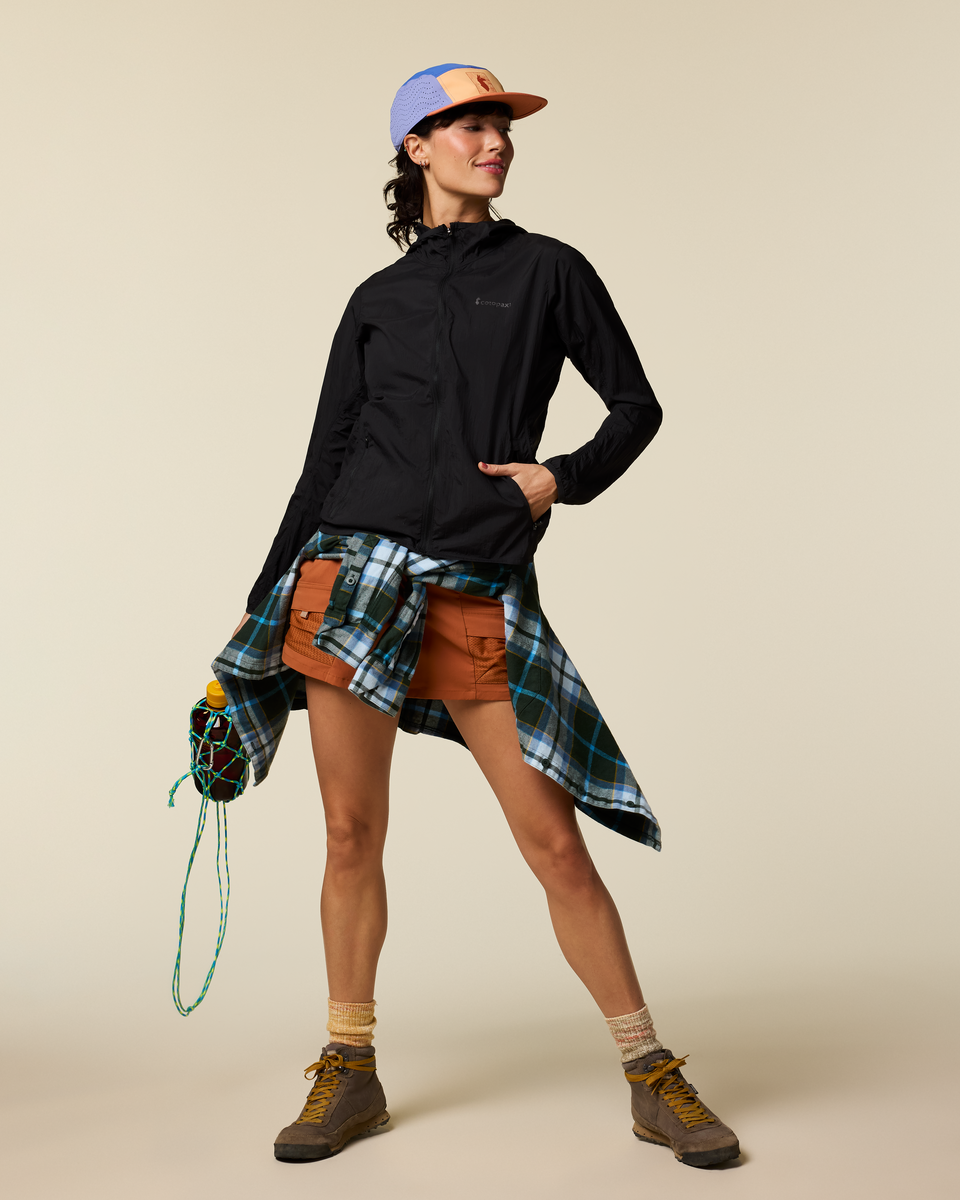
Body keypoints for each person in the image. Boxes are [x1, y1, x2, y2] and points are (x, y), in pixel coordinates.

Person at [215, 63, 740, 1169]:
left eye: (500, 123)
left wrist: (561, 477)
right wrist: (256, 619)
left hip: (473, 582)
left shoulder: (549, 270)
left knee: (553, 840)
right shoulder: (376, 298)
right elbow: (323, 461)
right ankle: (350, 1069)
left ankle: (650, 1072)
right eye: (467, 123)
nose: (493, 139)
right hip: (348, 576)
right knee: (350, 834)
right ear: (417, 147)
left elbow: (637, 405)